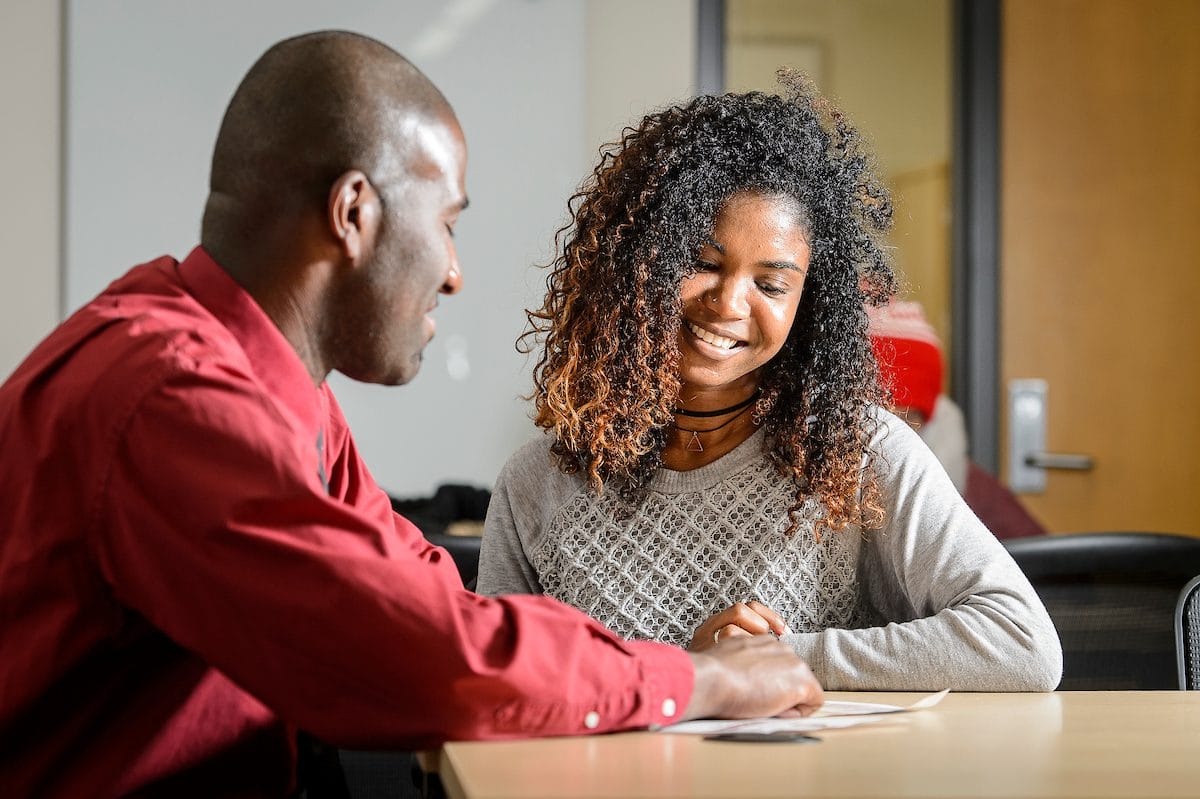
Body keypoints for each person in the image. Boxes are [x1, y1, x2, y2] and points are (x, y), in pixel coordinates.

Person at [0, 32, 824, 797]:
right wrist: (701, 680)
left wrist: (663, 669)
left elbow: (423, 599)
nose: (456, 272)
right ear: (354, 213)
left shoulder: (273, 387)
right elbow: (425, 661)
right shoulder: (174, 398)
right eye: (447, 222)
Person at [477, 73, 1062, 692]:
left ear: (807, 306)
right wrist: (687, 675)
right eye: (701, 263)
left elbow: (1022, 643)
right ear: (637, 264)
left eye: (772, 283)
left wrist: (784, 660)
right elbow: (492, 687)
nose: (729, 303)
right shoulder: (536, 483)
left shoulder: (855, 454)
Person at [868, 299, 1046, 538]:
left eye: (909, 413)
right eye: (880, 411)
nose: (895, 426)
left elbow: (1048, 562)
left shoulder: (970, 486)